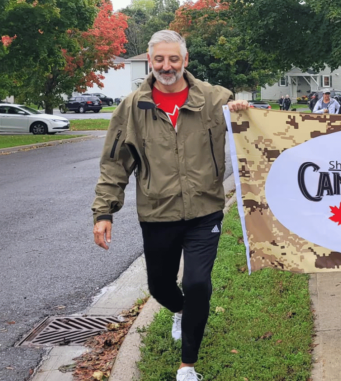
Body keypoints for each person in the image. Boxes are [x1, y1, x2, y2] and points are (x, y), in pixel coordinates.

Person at [91, 30, 248, 381]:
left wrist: (241, 113)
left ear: (186, 60)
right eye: (159, 59)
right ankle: (181, 310)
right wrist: (104, 212)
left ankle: (187, 366)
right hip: (157, 213)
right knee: (160, 286)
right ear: (150, 60)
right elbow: (115, 163)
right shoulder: (132, 107)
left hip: (204, 211)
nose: (166, 66)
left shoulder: (215, 98)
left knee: (197, 284)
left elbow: (250, 136)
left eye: (173, 59)